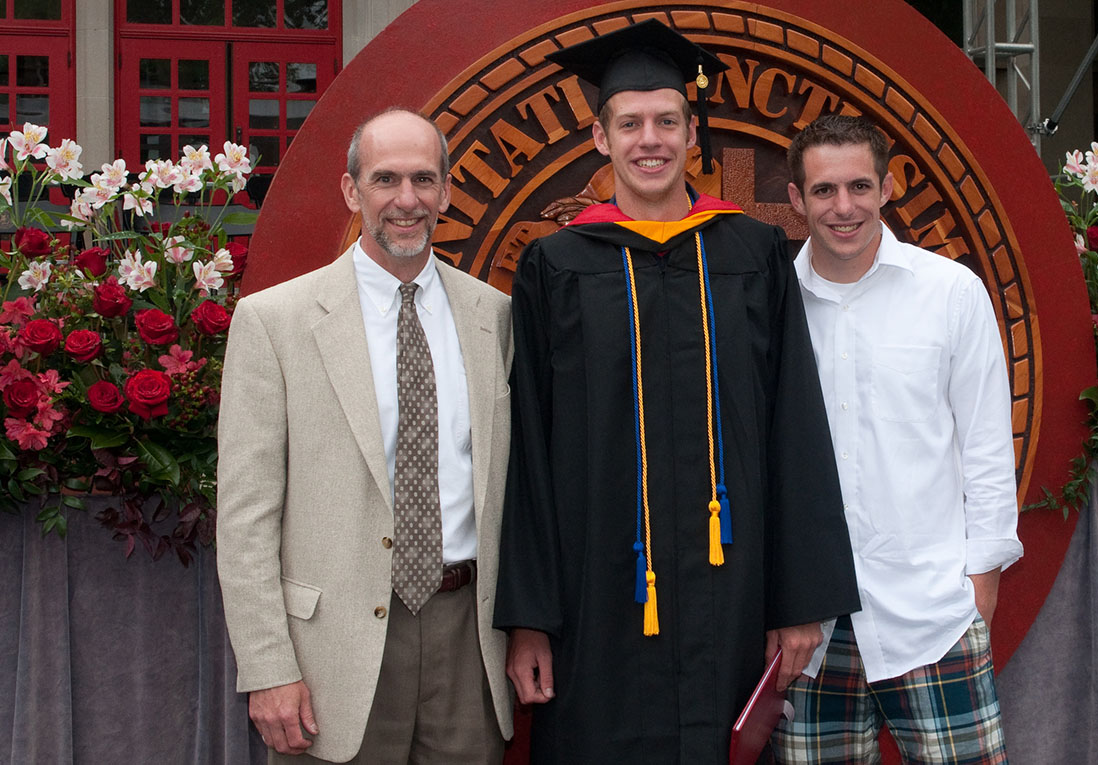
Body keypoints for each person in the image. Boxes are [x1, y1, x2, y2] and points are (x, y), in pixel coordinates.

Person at [494, 20, 860, 764]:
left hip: (730, 588)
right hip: (594, 596)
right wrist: (528, 620)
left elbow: (795, 426)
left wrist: (799, 604)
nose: (649, 140)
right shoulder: (555, 267)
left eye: (667, 121)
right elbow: (528, 447)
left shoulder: (752, 254)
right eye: (629, 124)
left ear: (693, 134)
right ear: (600, 138)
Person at [216, 109, 513, 764]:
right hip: (332, 651)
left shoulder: (493, 316)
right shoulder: (274, 322)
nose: (406, 200)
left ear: (445, 191)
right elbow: (245, 518)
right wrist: (267, 666)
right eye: (385, 179)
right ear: (352, 191)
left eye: (423, 179)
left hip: (467, 638)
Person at [773, 114, 1023, 764]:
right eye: (824, 190)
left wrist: (979, 590)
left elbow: (989, 452)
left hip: (932, 612)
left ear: (888, 188)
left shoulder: (950, 294)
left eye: (860, 186)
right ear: (797, 199)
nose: (844, 206)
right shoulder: (771, 307)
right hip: (811, 624)